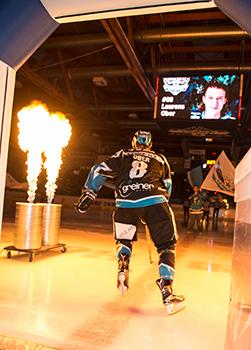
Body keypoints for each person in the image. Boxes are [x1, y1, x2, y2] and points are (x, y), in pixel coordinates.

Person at [75, 130, 184, 313]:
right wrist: (155, 205)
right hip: (155, 202)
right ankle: (167, 290)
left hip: (125, 204)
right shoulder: (160, 158)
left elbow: (98, 169)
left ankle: (123, 266)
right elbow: (168, 186)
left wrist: (90, 192)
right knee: (166, 247)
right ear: (150, 143)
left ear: (134, 142)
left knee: (124, 241)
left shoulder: (123, 154)